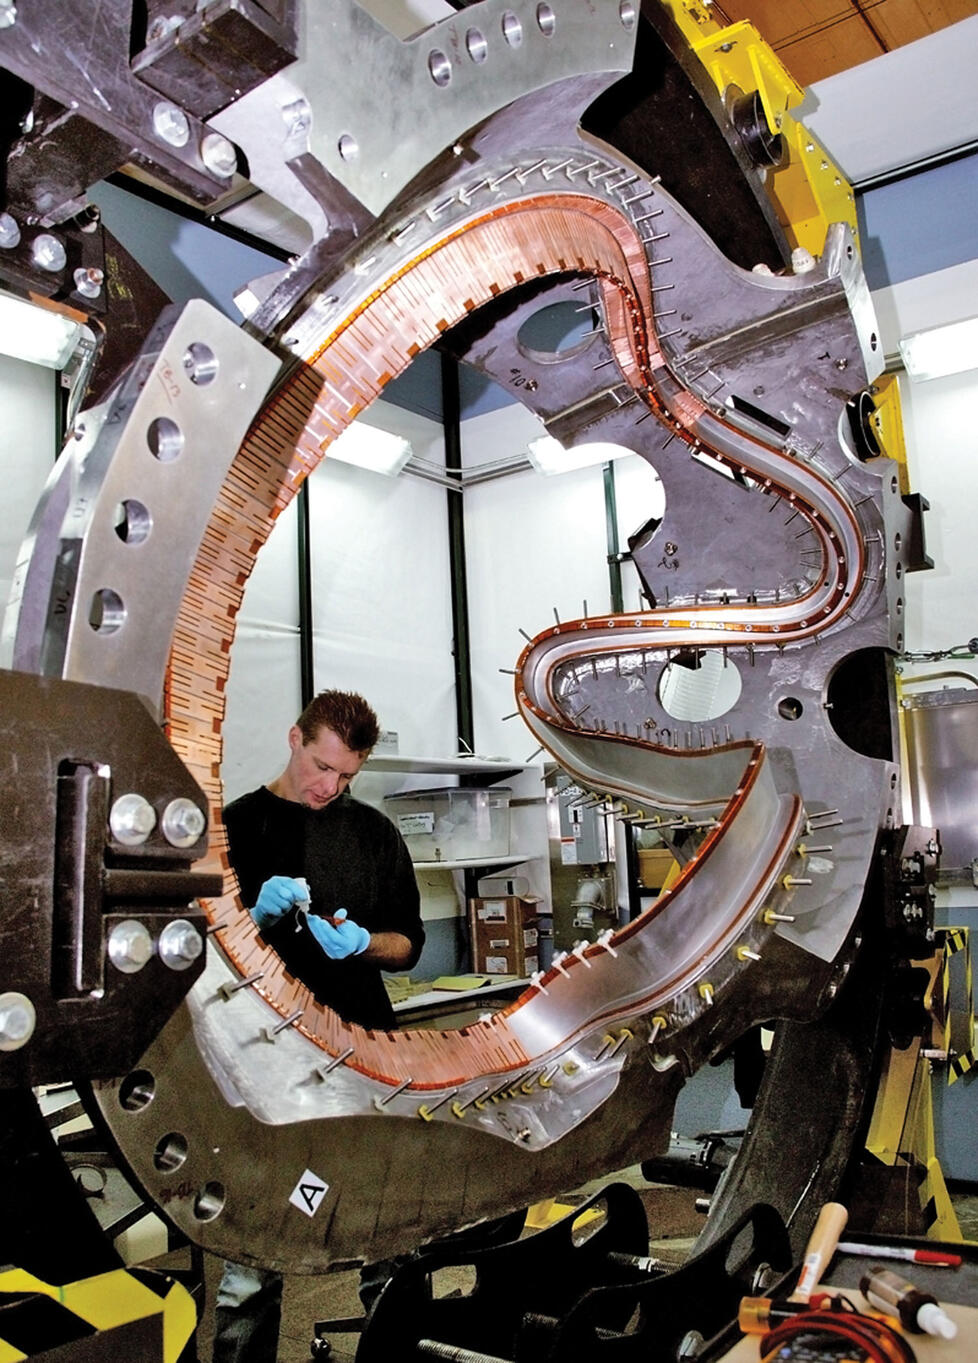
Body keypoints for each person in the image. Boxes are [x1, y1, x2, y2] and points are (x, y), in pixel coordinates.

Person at [213, 689, 425, 1363]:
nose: (329, 786)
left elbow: (410, 943)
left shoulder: (375, 834)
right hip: (265, 1060)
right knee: (259, 1242)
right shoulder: (233, 829)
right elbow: (202, 950)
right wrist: (253, 917)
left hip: (364, 1054)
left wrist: (365, 943)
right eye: (321, 766)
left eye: (345, 776)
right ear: (293, 737)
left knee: (386, 1232)